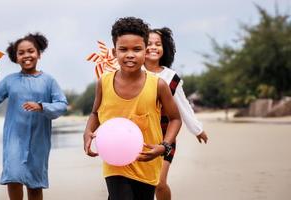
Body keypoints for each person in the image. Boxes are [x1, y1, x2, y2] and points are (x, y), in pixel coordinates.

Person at [83, 17, 182, 200]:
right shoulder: (103, 82)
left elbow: (175, 118)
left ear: (146, 51)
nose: (130, 54)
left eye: (137, 49)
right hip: (115, 163)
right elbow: (95, 113)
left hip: (147, 161)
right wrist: (88, 132)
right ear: (114, 52)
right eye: (123, 49)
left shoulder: (158, 85)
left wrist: (164, 146)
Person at [0, 33, 68, 200]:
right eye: (21, 53)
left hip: (39, 140)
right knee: (14, 176)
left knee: (35, 183)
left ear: (39, 54)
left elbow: (62, 105)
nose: (26, 56)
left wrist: (41, 106)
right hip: (14, 138)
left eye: (31, 51)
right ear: (15, 57)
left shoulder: (49, 81)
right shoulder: (9, 81)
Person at [144, 27, 209, 200]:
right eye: (148, 43)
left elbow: (183, 105)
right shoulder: (133, 74)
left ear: (165, 48)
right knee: (143, 183)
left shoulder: (170, 77)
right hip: (139, 135)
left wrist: (197, 129)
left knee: (159, 182)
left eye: (158, 44)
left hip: (165, 135)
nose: (153, 47)